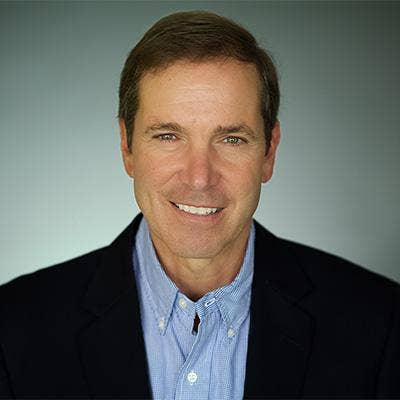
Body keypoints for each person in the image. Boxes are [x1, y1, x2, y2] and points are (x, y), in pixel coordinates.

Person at [0, 10, 399, 400]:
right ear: (127, 147)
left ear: (269, 152)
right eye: (168, 136)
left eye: (231, 139)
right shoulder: (13, 327)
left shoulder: (380, 324)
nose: (199, 177)